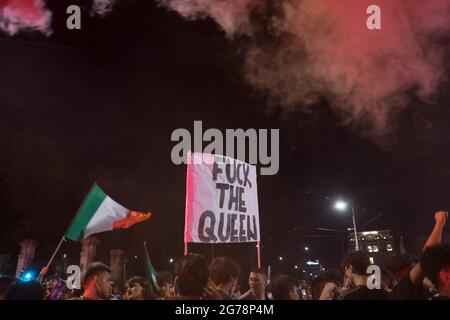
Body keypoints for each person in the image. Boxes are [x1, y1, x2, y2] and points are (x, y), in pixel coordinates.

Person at [390, 211, 448, 300]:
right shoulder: (402, 293)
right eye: (413, 270)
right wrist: (439, 223)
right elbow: (428, 257)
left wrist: (439, 223)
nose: (424, 274)